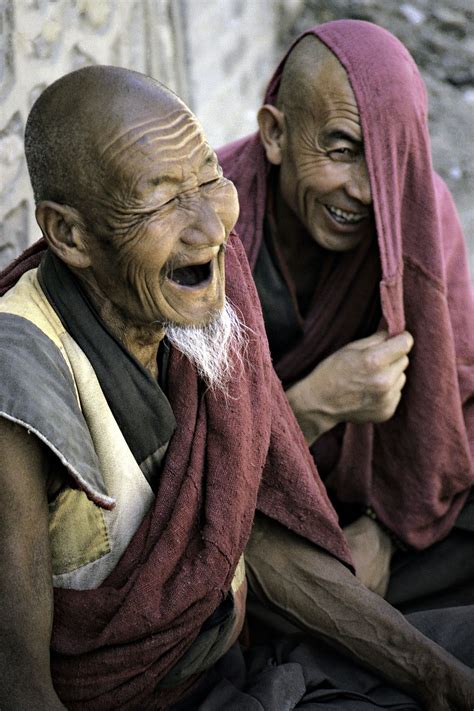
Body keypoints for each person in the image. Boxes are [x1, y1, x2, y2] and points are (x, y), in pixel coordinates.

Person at [0, 65, 473, 711]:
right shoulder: (21, 382)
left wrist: (437, 677)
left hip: (236, 649)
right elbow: (18, 687)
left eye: (208, 180)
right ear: (70, 235)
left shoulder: (196, 300)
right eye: (164, 200)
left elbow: (230, 530)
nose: (212, 228)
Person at [217, 19, 474, 609]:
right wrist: (315, 405)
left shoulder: (415, 213)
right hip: (251, 507)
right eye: (341, 150)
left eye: (389, 159)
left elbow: (450, 399)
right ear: (275, 134)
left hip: (373, 506)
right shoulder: (210, 225)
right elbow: (183, 456)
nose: (365, 191)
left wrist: (383, 530)